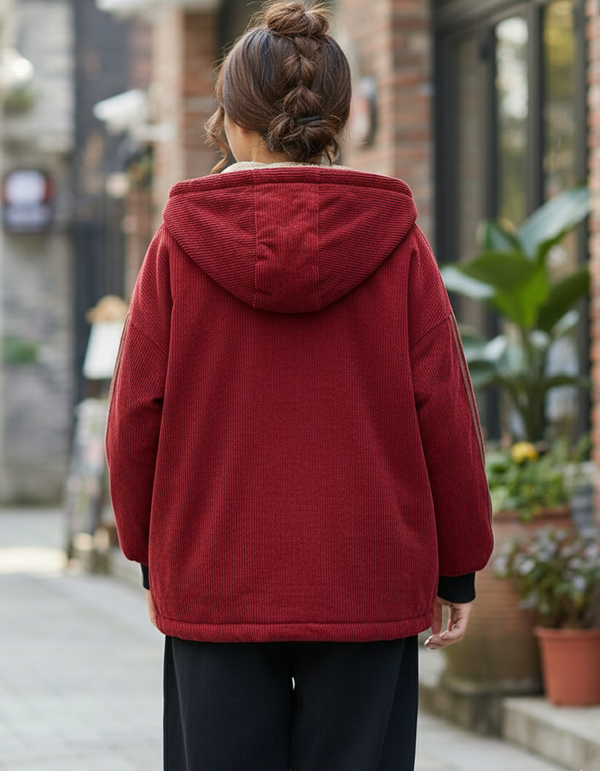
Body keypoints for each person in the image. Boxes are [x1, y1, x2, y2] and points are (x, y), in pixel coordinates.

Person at [105, 2, 494, 770]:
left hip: (215, 569)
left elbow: (135, 414)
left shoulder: (178, 244)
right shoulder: (397, 243)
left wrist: (153, 556)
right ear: (338, 116)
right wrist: (458, 564)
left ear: (230, 118)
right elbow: (444, 407)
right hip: (367, 573)